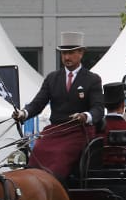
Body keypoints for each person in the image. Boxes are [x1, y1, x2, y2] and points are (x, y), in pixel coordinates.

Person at [12, 34, 104, 182]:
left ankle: (54, 185)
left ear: (81, 53)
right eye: (63, 53)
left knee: (60, 153)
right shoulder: (52, 78)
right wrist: (24, 113)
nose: (66, 57)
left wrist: (85, 116)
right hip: (55, 130)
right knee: (38, 148)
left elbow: (98, 109)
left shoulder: (92, 79)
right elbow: (38, 103)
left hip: (79, 131)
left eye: (71, 53)